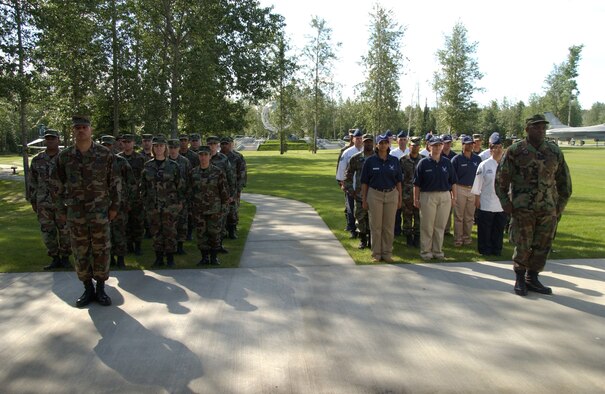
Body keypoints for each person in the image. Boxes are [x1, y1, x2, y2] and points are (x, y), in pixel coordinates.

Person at [496, 114, 572, 296]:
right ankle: (520, 278)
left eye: (543, 127)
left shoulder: (554, 152)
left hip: (547, 209)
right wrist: (505, 203)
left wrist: (558, 206)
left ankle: (533, 277)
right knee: (522, 244)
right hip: (523, 209)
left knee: (543, 245)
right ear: (527, 129)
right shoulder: (515, 151)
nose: (541, 130)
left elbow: (564, 183)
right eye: (537, 127)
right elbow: (501, 180)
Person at [53, 115, 120, 307]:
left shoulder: (104, 154)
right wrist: (61, 210)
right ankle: (87, 288)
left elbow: (115, 182)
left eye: (84, 127)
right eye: (77, 128)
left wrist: (115, 206)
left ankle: (100, 288)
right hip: (76, 213)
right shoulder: (65, 157)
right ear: (73, 131)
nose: (81, 130)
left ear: (90, 130)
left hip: (100, 212)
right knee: (80, 251)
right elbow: (56, 185)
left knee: (102, 250)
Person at [29, 128, 71, 270]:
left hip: (63, 202)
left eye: (53, 138)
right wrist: (33, 201)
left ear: (58, 140)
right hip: (44, 203)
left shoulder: (66, 158)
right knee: (48, 232)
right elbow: (32, 182)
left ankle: (65, 258)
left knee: (66, 232)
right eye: (48, 138)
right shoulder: (37, 160)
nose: (50, 141)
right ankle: (55, 258)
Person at [141, 135, 184, 267]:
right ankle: (159, 258)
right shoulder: (148, 166)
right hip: (153, 206)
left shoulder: (173, 165)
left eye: (161, 146)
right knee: (156, 232)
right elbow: (143, 187)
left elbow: (180, 186)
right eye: (156, 146)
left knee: (170, 232)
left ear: (165, 148)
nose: (159, 148)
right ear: (153, 148)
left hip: (169, 206)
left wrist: (179, 204)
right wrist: (145, 203)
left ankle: (170, 259)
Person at [413, 136, 457, 260]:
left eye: (439, 145)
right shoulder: (423, 163)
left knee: (440, 225)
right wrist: (416, 199)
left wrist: (454, 197)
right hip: (428, 196)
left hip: (444, 196)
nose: (437, 148)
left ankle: (437, 251)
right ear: (429, 147)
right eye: (434, 145)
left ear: (442, 146)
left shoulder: (447, 162)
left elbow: (453, 181)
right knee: (427, 226)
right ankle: (426, 251)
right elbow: (416, 184)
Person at [360, 133, 402, 262]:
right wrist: (364, 199)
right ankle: (376, 254)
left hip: (391, 194)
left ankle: (387, 253)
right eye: (381, 143)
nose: (383, 145)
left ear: (388, 144)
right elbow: (364, 182)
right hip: (375, 194)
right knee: (376, 226)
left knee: (388, 226)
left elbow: (399, 181)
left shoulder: (394, 160)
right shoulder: (370, 161)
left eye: (385, 143)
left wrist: (399, 198)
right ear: (376, 145)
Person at [190, 146, 230, 265]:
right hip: (199, 210)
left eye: (205, 155)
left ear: (210, 156)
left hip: (215, 210)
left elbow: (224, 191)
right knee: (201, 235)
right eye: (201, 155)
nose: (203, 157)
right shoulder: (193, 173)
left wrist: (224, 208)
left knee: (214, 234)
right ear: (198, 156)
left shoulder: (218, 172)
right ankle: (204, 258)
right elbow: (189, 191)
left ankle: (214, 258)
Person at [101, 135, 136, 269]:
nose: (107, 148)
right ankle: (109, 259)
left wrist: (129, 202)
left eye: (109, 145)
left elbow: (132, 183)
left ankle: (120, 258)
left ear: (114, 146)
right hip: (101, 205)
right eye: (104, 145)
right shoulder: (96, 162)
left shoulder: (121, 162)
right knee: (105, 233)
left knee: (120, 232)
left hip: (120, 204)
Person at [471, 132, 506, 256]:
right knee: (485, 228)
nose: (498, 150)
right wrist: (477, 199)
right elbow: (477, 184)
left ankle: (497, 249)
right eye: (495, 148)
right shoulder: (484, 165)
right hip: (486, 202)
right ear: (490, 149)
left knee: (498, 228)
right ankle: (484, 249)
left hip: (501, 203)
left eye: (500, 147)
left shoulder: (506, 165)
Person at [344, 134, 375, 249]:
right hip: (360, 195)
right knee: (360, 218)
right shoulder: (356, 158)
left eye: (370, 142)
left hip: (375, 194)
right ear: (363, 143)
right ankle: (363, 240)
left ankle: (372, 241)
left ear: (373, 143)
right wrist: (351, 190)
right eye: (366, 142)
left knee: (373, 219)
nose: (368, 144)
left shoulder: (377, 158)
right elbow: (348, 175)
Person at [451, 135, 482, 246]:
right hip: (460, 188)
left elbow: (480, 176)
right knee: (459, 216)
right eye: (467, 143)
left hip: (473, 189)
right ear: (463, 145)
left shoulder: (477, 159)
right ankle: (458, 239)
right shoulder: (456, 159)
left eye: (471, 144)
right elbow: (452, 178)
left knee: (469, 216)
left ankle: (467, 238)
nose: (470, 145)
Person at [117, 134, 146, 255]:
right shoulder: (117, 159)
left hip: (137, 196)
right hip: (122, 196)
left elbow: (145, 177)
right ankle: (129, 245)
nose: (127, 144)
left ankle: (138, 245)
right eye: (124, 142)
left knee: (138, 221)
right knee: (125, 222)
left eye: (129, 142)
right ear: (121, 143)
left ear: (133, 143)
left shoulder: (140, 158)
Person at [207, 135, 235, 253]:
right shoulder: (201, 157)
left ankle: (219, 245)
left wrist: (231, 194)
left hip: (220, 196)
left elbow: (230, 178)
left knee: (221, 223)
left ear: (217, 145)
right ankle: (208, 247)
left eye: (214, 144)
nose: (212, 146)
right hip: (204, 197)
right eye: (210, 144)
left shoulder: (223, 159)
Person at [337, 129, 363, 238]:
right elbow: (342, 168)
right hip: (350, 186)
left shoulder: (365, 151)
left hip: (362, 187)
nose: (359, 140)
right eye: (357, 138)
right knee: (351, 209)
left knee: (361, 210)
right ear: (353, 139)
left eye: (361, 138)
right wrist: (342, 183)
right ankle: (352, 230)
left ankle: (362, 230)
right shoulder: (347, 152)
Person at [167, 138, 192, 255]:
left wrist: (186, 197)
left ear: (178, 148)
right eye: (170, 148)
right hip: (167, 199)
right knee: (168, 224)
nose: (172, 150)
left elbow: (189, 179)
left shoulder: (185, 161)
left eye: (175, 148)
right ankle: (169, 247)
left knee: (182, 223)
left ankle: (180, 246)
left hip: (182, 197)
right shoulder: (164, 161)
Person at [220, 136, 247, 239]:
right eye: (223, 143)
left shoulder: (238, 157)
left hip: (233, 188)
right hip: (221, 188)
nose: (225, 145)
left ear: (231, 144)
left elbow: (242, 174)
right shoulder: (217, 157)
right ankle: (223, 230)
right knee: (221, 210)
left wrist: (239, 189)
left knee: (233, 210)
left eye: (227, 143)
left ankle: (232, 230)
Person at [400, 136, 423, 247]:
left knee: (418, 217)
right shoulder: (403, 160)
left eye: (417, 146)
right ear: (409, 146)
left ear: (420, 147)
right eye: (413, 146)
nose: (415, 148)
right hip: (406, 193)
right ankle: (409, 238)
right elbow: (399, 179)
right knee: (407, 217)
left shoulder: (423, 160)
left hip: (419, 194)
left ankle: (417, 238)